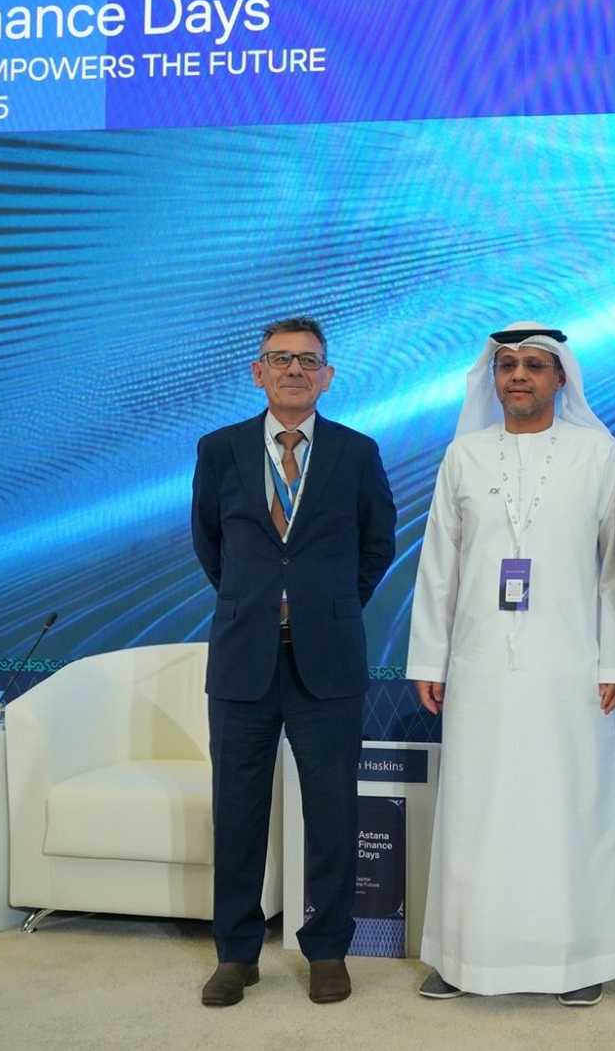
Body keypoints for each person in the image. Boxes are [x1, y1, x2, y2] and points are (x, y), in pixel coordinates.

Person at [406, 322, 615, 1006]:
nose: (518, 376)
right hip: (479, 665)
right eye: (507, 365)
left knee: (570, 808)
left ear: (560, 378)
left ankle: (580, 960)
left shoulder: (598, 454)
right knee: (475, 808)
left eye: (535, 365)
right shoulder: (465, 456)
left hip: (571, 665)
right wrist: (429, 657)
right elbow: (439, 565)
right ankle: (463, 957)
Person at [190, 315, 397, 1007]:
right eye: (280, 359)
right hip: (242, 659)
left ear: (327, 375)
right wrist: (255, 602)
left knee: (333, 811)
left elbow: (378, 542)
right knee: (237, 811)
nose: (294, 370)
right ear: (258, 372)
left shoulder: (356, 452)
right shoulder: (218, 450)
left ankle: (328, 949)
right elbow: (211, 544)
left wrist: (327, 606)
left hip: (327, 662)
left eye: (308, 360)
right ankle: (236, 953)